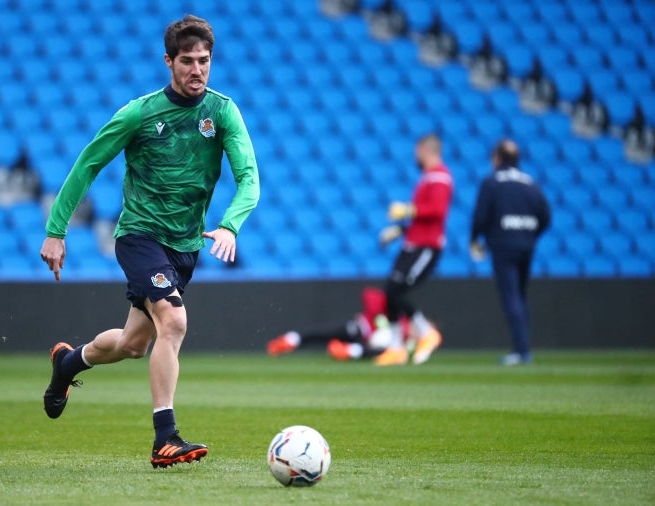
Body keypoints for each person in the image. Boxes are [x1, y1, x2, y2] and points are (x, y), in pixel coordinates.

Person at [39, 15, 260, 468]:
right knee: (173, 323)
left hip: (184, 246)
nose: (197, 70)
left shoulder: (222, 112)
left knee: (134, 343)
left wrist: (231, 224)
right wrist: (56, 231)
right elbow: (87, 165)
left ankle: (69, 363)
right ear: (168, 61)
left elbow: (249, 180)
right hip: (139, 236)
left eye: (204, 61)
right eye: (187, 61)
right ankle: (166, 438)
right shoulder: (139, 113)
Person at [470, 139, 550, 366]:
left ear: (497, 158)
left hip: (504, 245)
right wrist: (531, 234)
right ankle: (523, 348)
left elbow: (481, 216)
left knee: (511, 296)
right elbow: (545, 215)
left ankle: (521, 351)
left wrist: (475, 239)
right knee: (521, 295)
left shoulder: (492, 182)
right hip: (526, 244)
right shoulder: (529, 182)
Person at [376, 134, 453, 366]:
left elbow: (437, 211)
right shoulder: (429, 177)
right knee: (390, 291)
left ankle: (426, 332)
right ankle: (397, 347)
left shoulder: (440, 177)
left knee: (396, 290)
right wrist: (401, 230)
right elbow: (423, 217)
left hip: (427, 246)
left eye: (417, 151)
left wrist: (409, 210)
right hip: (414, 243)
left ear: (426, 150)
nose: (415, 156)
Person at [266, 287, 402, 361]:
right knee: (323, 332)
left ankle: (347, 351)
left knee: (380, 350)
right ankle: (291, 339)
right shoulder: (389, 306)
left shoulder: (403, 327)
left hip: (367, 342)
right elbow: (369, 294)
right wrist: (380, 319)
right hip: (359, 327)